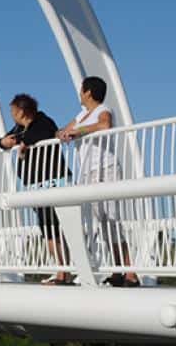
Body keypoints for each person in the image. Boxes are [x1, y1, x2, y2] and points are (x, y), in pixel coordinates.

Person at [57, 76, 139, 287]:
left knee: (112, 218)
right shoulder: (82, 114)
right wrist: (63, 133)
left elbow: (104, 125)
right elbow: (64, 131)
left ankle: (130, 272)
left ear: (89, 92)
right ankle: (117, 270)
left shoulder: (104, 109)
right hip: (88, 172)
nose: (79, 94)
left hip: (107, 168)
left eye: (81, 90)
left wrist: (79, 132)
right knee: (102, 222)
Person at [0, 94, 71, 284]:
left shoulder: (43, 121)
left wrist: (23, 142)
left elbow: (41, 134)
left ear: (21, 111)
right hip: (35, 184)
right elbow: (5, 140)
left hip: (52, 181)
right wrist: (4, 142)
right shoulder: (19, 128)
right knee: (47, 227)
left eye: (13, 111)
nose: (12, 115)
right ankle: (61, 269)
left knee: (55, 225)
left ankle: (65, 271)